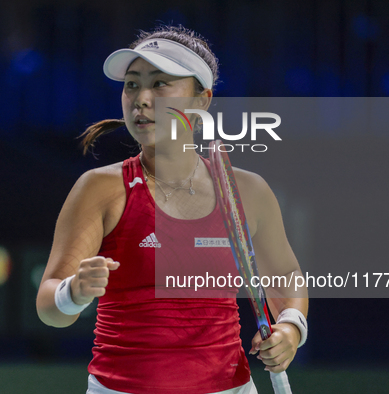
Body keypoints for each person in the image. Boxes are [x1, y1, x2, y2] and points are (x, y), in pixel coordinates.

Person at [36, 25, 308, 394]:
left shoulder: (248, 191)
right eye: (132, 84)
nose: (141, 98)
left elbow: (287, 274)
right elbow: (49, 307)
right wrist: (73, 292)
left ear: (203, 99)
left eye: (161, 84)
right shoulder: (99, 189)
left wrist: (291, 327)